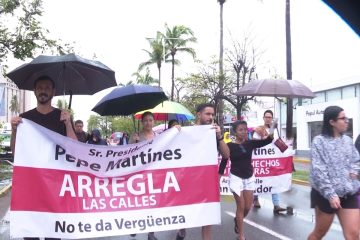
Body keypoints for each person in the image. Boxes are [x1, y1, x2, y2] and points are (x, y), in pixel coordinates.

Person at [10, 75, 77, 240]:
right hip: (31, 185)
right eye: (40, 87)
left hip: (55, 185)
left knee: (53, 233)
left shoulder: (63, 117)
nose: (43, 91)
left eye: (47, 88)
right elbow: (15, 152)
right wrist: (13, 131)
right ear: (34, 91)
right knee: (31, 233)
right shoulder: (24, 119)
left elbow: (75, 149)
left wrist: (68, 124)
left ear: (53, 92)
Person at [175, 103, 230, 240]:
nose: (211, 117)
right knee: (186, 209)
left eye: (212, 114)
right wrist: (175, 132)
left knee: (207, 216)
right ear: (199, 114)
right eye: (207, 114)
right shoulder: (186, 131)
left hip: (207, 181)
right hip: (188, 179)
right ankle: (182, 229)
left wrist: (219, 136)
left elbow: (226, 155)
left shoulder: (213, 133)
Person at [308, 106, 360, 240]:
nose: (347, 121)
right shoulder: (319, 141)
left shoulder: (348, 141)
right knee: (319, 233)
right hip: (325, 195)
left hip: (349, 193)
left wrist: (354, 171)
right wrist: (330, 195)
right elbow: (318, 171)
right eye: (343, 118)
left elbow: (356, 160)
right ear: (332, 122)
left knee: (353, 234)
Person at [219, 120, 273, 240]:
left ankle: (237, 220)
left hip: (249, 177)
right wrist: (219, 177)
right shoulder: (230, 146)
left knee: (248, 207)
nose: (243, 132)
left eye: (245, 129)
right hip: (236, 178)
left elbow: (268, 140)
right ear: (235, 132)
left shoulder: (250, 144)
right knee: (241, 206)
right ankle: (241, 235)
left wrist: (273, 126)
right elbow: (224, 161)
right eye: (240, 130)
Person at [129, 111, 158, 240]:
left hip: (155, 175)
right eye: (145, 120)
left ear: (154, 122)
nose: (148, 122)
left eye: (150, 120)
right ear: (142, 122)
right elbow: (127, 154)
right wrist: (133, 143)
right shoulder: (135, 136)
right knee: (139, 202)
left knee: (153, 203)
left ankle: (151, 233)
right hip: (139, 175)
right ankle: (135, 225)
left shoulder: (158, 136)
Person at [252, 110, 287, 213]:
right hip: (262, 159)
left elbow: (276, 142)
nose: (268, 119)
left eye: (270, 117)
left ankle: (276, 205)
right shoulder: (259, 129)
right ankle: (255, 198)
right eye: (266, 117)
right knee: (259, 179)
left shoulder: (274, 130)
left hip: (272, 159)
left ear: (272, 118)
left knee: (274, 180)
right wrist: (264, 138)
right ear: (263, 118)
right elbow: (254, 143)